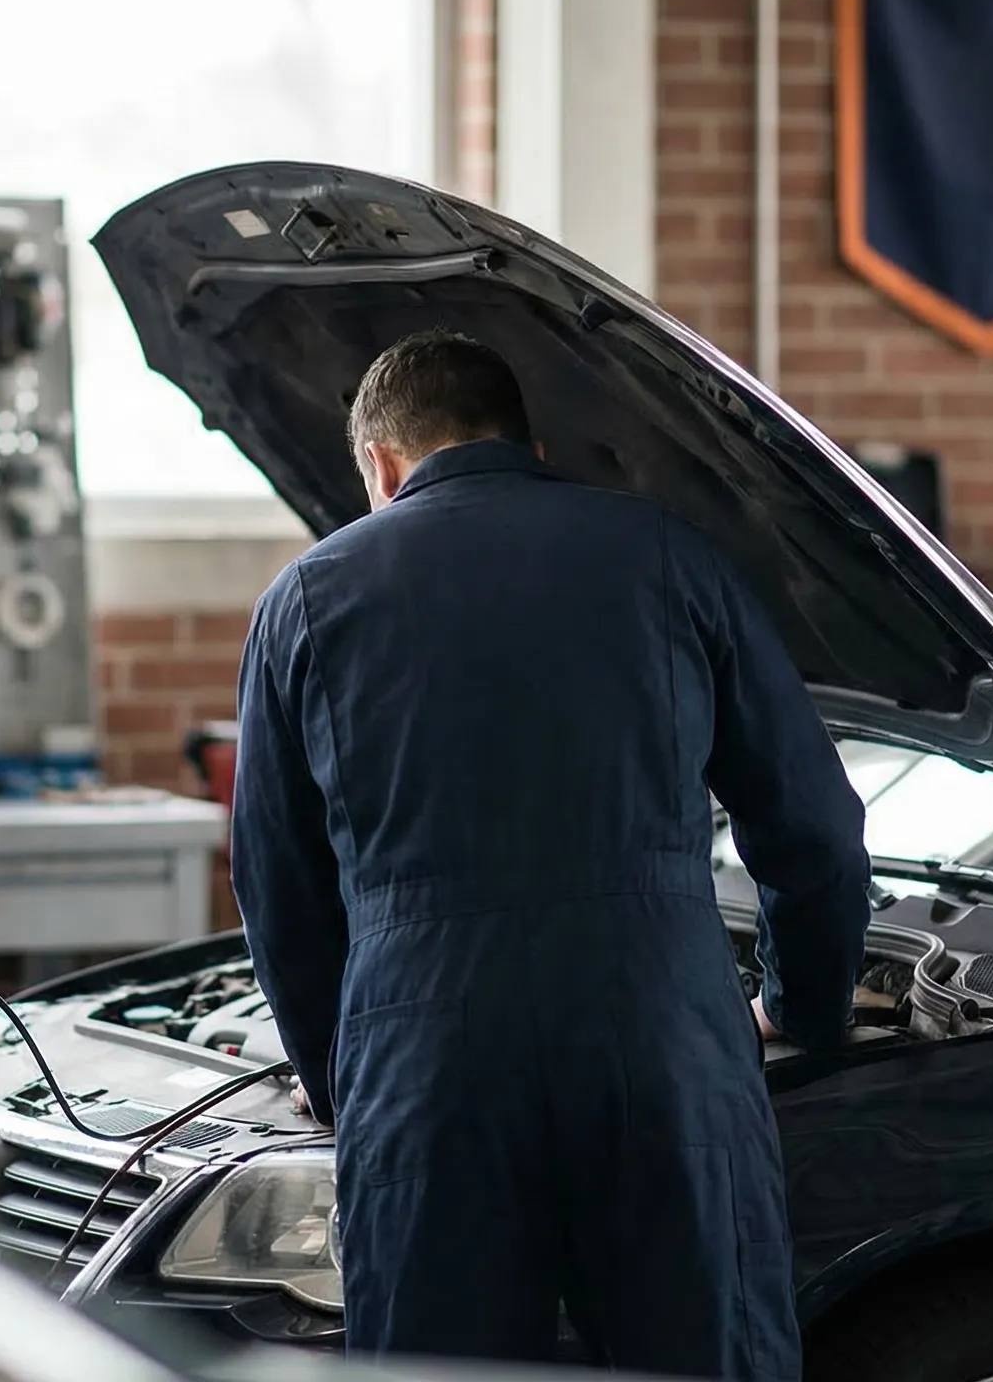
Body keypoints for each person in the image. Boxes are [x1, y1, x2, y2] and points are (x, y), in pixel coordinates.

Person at [230, 330, 872, 1379]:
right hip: (661, 1044)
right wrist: (802, 1007)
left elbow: (278, 889)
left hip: (428, 1066)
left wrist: (338, 1074)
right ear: (528, 446)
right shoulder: (669, 556)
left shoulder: (304, 599)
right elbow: (816, 833)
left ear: (380, 465)